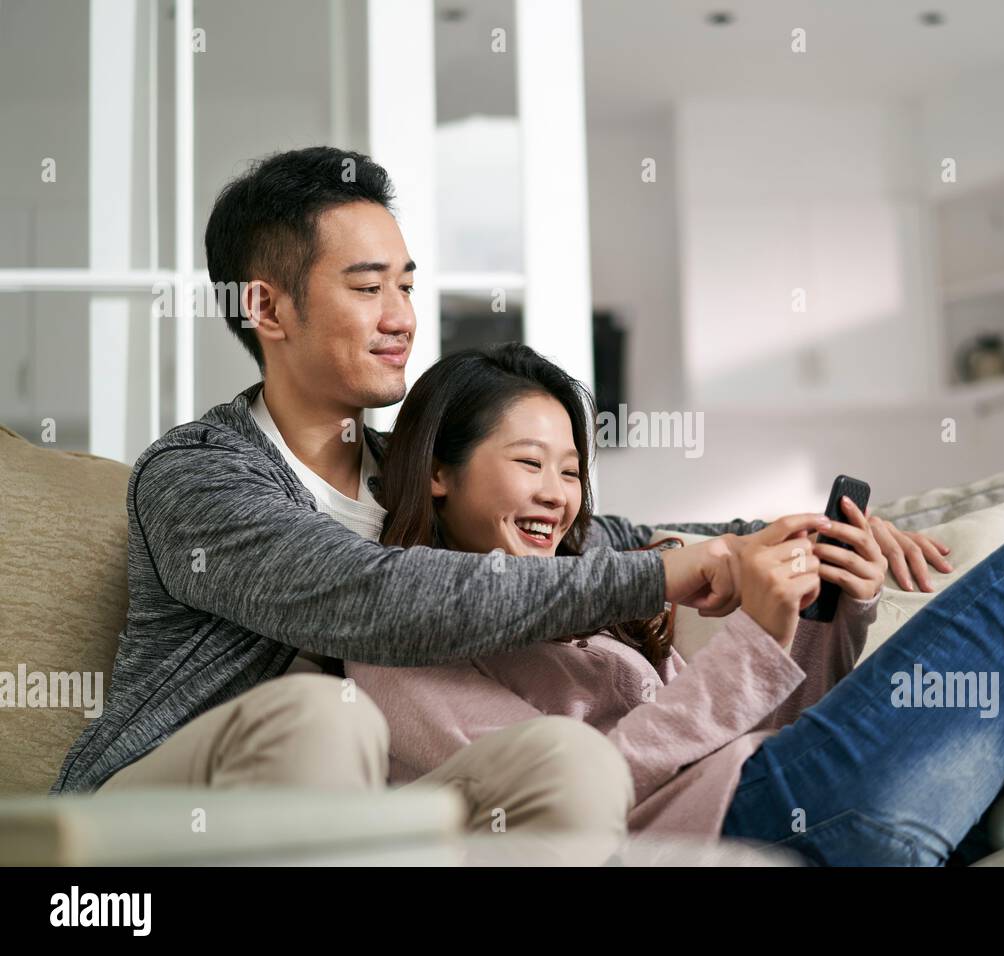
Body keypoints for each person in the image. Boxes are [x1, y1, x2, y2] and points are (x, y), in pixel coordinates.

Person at [50, 147, 793, 863]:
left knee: (566, 761)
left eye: (406, 286)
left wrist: (800, 539)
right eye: (369, 289)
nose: (402, 318)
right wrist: (664, 575)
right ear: (266, 308)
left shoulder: (413, 476)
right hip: (153, 815)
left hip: (354, 822)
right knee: (323, 719)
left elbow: (618, 536)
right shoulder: (199, 476)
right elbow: (377, 597)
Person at [347, 341, 1004, 865]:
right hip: (752, 826)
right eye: (528, 465)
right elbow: (569, 801)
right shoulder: (394, 646)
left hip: (812, 796)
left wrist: (825, 618)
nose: (561, 496)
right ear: (435, 473)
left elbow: (768, 727)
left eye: (570, 469)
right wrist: (753, 639)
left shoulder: (585, 605)